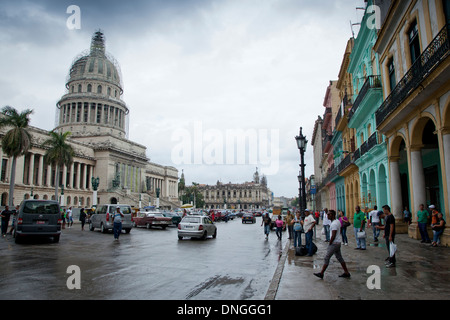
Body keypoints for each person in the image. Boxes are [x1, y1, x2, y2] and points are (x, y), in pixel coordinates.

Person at [314, 210, 351, 279]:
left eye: (329, 215)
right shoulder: (337, 221)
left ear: (333, 215)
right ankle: (346, 272)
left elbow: (333, 235)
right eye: (327, 214)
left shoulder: (334, 224)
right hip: (338, 243)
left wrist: (330, 243)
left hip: (334, 243)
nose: (327, 216)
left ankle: (321, 273)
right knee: (340, 258)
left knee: (327, 258)